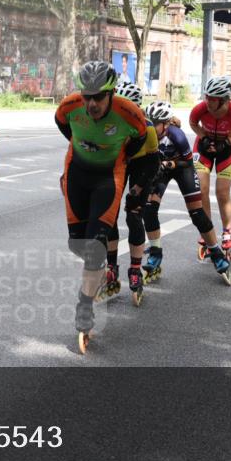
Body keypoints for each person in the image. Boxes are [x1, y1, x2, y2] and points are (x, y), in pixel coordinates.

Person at [55, 61, 148, 351]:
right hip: (77, 174)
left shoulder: (129, 114)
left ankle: (85, 306)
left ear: (111, 93)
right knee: (76, 244)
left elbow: (140, 139)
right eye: (87, 96)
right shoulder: (69, 107)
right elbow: (62, 125)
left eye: (98, 97)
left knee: (94, 247)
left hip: (109, 178)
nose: (92, 103)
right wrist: (83, 147)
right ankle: (97, 269)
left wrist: (119, 157)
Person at [142, 101, 230, 277]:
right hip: (163, 169)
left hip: (183, 168)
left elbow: (188, 162)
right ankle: (155, 252)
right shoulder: (146, 133)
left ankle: (216, 253)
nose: (150, 127)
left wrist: (171, 163)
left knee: (197, 213)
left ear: (166, 124)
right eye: (148, 122)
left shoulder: (177, 135)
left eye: (155, 124)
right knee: (149, 209)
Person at [100, 82, 160, 305]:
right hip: (120, 164)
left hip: (142, 166)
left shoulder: (148, 126)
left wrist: (139, 187)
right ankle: (111, 268)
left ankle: (135, 269)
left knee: (133, 214)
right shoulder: (109, 123)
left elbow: (154, 161)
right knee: (110, 216)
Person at [189, 76, 231, 253]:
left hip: (226, 150)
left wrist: (228, 141)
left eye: (212, 99)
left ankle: (227, 232)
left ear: (223, 99)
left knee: (222, 193)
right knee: (201, 190)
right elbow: (193, 123)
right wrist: (204, 137)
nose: (207, 101)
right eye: (207, 97)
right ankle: (207, 231)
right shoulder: (201, 108)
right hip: (203, 148)